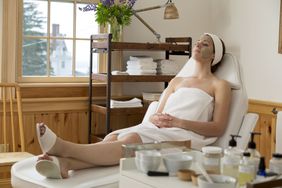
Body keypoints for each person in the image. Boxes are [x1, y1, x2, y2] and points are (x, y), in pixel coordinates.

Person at [35, 33, 231, 179]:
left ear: (214, 55)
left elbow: (218, 127)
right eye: (197, 42)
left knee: (131, 139)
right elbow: (157, 114)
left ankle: (65, 148)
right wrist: (157, 118)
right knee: (113, 136)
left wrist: (179, 122)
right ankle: (66, 163)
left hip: (187, 138)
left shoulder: (219, 85)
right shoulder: (176, 81)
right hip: (159, 129)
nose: (198, 45)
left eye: (205, 44)